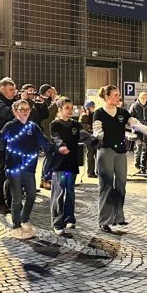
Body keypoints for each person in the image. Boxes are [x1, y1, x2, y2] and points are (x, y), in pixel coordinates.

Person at [93, 85, 147, 234]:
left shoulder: (122, 112)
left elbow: (135, 123)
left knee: (121, 184)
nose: (118, 97)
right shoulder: (99, 113)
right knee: (106, 186)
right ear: (107, 97)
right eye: (115, 95)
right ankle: (104, 220)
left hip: (120, 152)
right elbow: (97, 129)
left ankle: (118, 216)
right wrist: (98, 134)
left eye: (118, 94)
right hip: (105, 151)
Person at [2, 100, 51, 239]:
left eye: (27, 109)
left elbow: (44, 141)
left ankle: (24, 218)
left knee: (31, 194)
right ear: (15, 111)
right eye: (22, 109)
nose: (25, 111)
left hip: (29, 166)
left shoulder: (33, 127)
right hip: (13, 166)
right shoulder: (11, 125)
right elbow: (0, 135)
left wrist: (56, 148)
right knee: (17, 197)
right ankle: (16, 226)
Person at [48, 97, 89, 236]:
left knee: (70, 192)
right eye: (67, 108)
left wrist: (95, 141)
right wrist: (61, 146)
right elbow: (55, 137)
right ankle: (57, 223)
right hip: (59, 163)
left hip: (72, 163)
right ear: (60, 109)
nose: (70, 110)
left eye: (71, 108)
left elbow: (83, 135)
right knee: (58, 193)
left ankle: (69, 218)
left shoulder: (76, 125)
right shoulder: (55, 124)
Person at [0, 78, 18, 214]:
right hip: (4, 142)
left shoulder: (10, 102)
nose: (14, 92)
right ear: (2, 89)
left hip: (15, 141)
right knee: (2, 172)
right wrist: (20, 103)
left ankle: (10, 199)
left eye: (14, 89)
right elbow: (10, 115)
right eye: (11, 90)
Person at [37, 83, 58, 190]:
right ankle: (45, 180)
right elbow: (46, 117)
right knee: (49, 157)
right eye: (48, 91)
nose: (51, 93)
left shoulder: (50, 102)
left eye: (51, 91)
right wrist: (55, 104)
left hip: (52, 134)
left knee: (50, 157)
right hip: (46, 135)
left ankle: (45, 179)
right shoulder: (42, 102)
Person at [129, 91, 147, 174]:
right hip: (138, 130)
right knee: (138, 147)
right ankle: (137, 165)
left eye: (145, 97)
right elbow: (130, 118)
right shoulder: (134, 106)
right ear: (139, 97)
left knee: (145, 148)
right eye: (142, 97)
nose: (143, 98)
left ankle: (143, 166)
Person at [79, 100, 98, 178]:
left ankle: (97, 171)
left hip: (95, 137)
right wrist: (91, 128)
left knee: (97, 154)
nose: (93, 108)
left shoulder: (94, 114)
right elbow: (82, 127)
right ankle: (90, 172)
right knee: (91, 154)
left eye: (93, 106)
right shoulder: (84, 116)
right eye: (91, 107)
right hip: (88, 138)